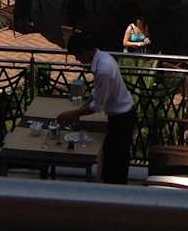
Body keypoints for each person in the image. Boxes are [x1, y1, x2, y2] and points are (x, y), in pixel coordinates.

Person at [58, 33, 136, 184]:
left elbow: (97, 105)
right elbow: (96, 94)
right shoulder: (103, 59)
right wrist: (79, 111)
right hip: (120, 116)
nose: (77, 59)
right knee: (111, 160)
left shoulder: (103, 69)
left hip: (122, 119)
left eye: (77, 55)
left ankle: (115, 193)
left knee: (116, 166)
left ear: (83, 51)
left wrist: (72, 114)